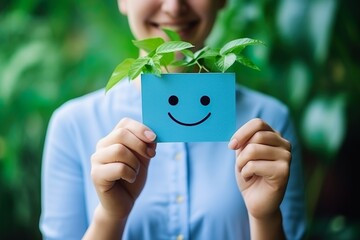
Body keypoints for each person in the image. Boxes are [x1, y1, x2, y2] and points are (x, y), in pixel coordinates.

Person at [39, 0, 307, 239]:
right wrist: (110, 215)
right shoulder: (73, 125)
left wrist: (264, 217)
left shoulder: (270, 121)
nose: (174, 6)